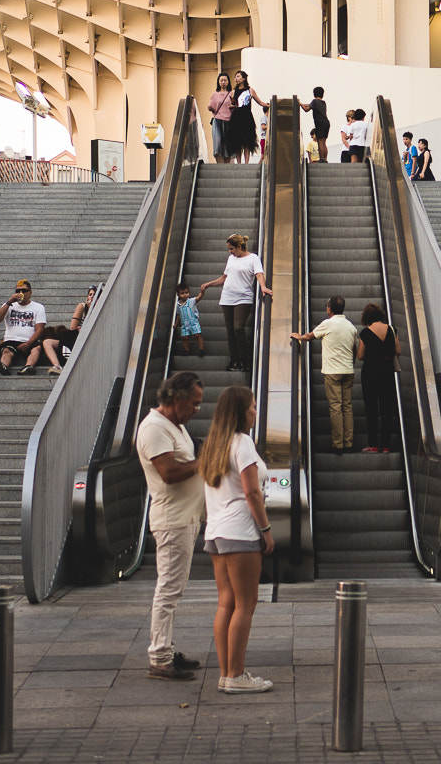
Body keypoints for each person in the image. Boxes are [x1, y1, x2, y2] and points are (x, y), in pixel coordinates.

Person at [199, 386, 274, 693]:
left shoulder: (214, 444)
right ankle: (237, 675)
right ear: (240, 412)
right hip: (241, 531)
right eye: (252, 407)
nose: (256, 412)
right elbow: (252, 491)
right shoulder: (242, 442)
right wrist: (266, 530)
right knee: (246, 604)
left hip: (216, 531)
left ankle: (227, 674)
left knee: (225, 603)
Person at [136, 371, 205, 681]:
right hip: (172, 521)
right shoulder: (153, 428)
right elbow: (169, 473)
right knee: (168, 590)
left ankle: (165, 649)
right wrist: (205, 462)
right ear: (176, 399)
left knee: (173, 589)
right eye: (194, 403)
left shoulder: (175, 426)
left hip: (185, 518)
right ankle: (160, 657)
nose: (197, 409)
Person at [291, 295, 358, 454]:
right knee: (347, 407)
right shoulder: (351, 327)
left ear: (330, 309)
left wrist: (298, 337)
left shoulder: (328, 324)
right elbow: (354, 350)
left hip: (332, 372)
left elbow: (310, 336)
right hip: (348, 371)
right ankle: (348, 443)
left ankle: (338, 444)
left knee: (336, 407)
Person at [201, 234, 272, 373]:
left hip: (243, 297)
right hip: (227, 297)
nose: (230, 251)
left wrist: (263, 287)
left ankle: (245, 360)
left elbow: (259, 274)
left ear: (239, 246)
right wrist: (209, 284)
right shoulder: (231, 259)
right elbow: (224, 278)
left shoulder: (253, 258)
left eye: (231, 248)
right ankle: (234, 360)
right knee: (230, 331)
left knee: (238, 328)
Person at [357, 303, 401, 453]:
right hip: (387, 370)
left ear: (367, 317)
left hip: (370, 371)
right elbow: (398, 351)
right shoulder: (392, 330)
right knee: (386, 409)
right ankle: (386, 445)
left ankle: (373, 445)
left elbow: (360, 355)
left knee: (371, 408)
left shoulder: (365, 333)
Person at [0, 279, 47, 375]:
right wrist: (9, 302)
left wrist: (29, 343)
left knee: (36, 348)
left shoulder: (38, 307)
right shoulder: (9, 305)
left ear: (30, 293)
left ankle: (28, 367)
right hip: (11, 340)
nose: (21, 293)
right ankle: (3, 366)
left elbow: (40, 329)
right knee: (7, 350)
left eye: (24, 291)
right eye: (18, 291)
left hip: (29, 341)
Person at [42, 285, 98, 374]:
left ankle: (70, 356)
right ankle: (57, 366)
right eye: (90, 294)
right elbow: (72, 327)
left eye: (94, 294)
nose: (92, 296)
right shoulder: (83, 307)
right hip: (76, 337)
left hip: (91, 339)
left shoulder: (103, 310)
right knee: (47, 342)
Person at [226, 70, 268, 164]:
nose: (236, 79)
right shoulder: (233, 92)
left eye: (238, 76)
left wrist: (270, 105)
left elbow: (260, 102)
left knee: (247, 141)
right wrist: (232, 106)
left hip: (247, 117)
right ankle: (239, 163)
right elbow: (230, 106)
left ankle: (246, 162)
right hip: (236, 118)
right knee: (236, 142)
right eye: (235, 77)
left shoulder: (250, 90)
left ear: (244, 78)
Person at [298, 86, 330, 162]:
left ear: (314, 94)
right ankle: (325, 159)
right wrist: (302, 104)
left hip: (320, 124)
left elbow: (306, 109)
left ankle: (321, 159)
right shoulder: (323, 102)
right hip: (326, 123)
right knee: (324, 142)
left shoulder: (315, 101)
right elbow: (309, 105)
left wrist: (299, 104)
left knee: (320, 142)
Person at [175, 282, 206, 357]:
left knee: (197, 335)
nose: (185, 294)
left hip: (193, 322)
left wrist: (202, 292)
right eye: (182, 293)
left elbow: (198, 298)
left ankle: (201, 350)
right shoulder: (178, 305)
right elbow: (178, 315)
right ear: (178, 295)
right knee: (184, 337)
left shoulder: (191, 301)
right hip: (184, 324)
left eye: (186, 292)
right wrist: (176, 324)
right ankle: (186, 350)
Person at [208, 72, 233, 163]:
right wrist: (210, 108)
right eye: (221, 80)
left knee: (228, 145)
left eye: (225, 80)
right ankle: (219, 164)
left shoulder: (231, 93)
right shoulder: (215, 94)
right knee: (217, 143)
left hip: (229, 121)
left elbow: (234, 105)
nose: (223, 82)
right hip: (217, 120)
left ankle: (226, 165)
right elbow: (211, 106)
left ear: (228, 82)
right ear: (218, 82)